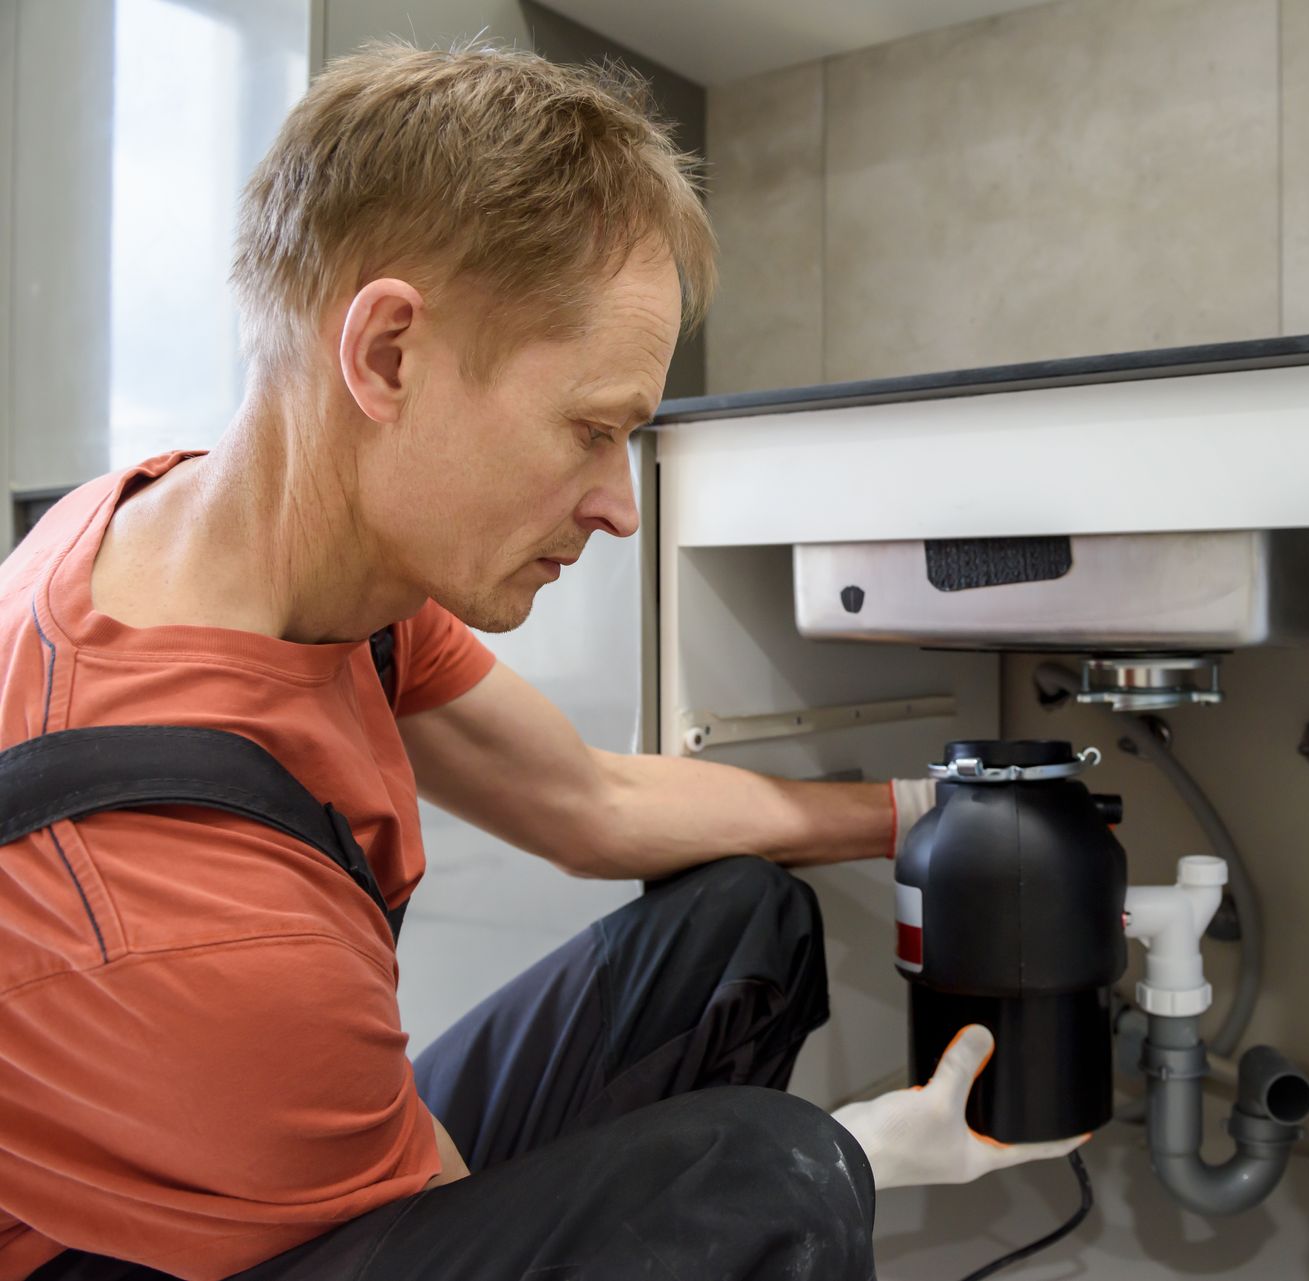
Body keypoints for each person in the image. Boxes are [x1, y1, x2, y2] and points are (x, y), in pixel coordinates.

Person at [0, 42, 1080, 1281]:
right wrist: (846, 1161)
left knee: (738, 925)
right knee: (765, 1186)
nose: (619, 507)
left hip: (264, 1155)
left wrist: (928, 813)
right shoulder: (187, 925)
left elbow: (590, 802)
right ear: (389, 355)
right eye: (588, 430)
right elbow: (455, 1219)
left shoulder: (257, 549)